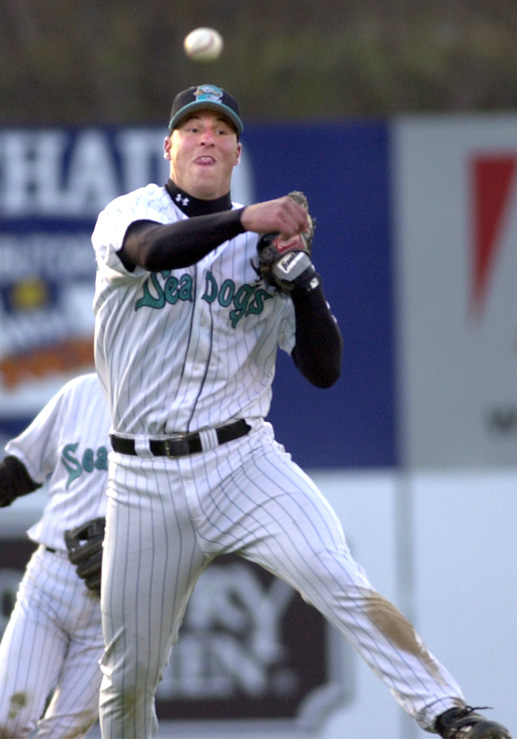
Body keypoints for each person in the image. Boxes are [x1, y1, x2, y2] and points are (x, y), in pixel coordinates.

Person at [91, 84, 511, 739]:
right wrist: (244, 221)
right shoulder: (129, 213)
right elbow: (152, 251)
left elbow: (324, 369)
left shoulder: (266, 249)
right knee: (129, 678)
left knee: (336, 574)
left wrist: (299, 283)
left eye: (221, 130)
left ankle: (450, 713)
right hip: (141, 477)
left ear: (236, 152)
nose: (207, 137)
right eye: (192, 128)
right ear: (168, 146)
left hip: (242, 460)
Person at [0, 372, 110, 738]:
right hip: (50, 579)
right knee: (6, 719)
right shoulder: (80, 392)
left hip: (118, 603)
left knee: (61, 734)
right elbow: (20, 470)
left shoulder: (176, 409)